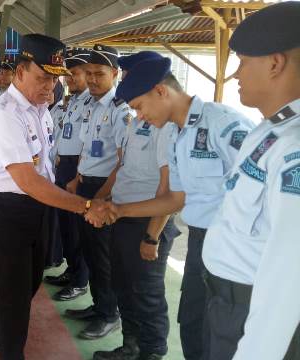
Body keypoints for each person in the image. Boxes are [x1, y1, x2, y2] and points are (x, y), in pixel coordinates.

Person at [89, 52, 255, 359]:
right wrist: (118, 210)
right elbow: (175, 199)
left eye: (139, 107)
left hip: (234, 245)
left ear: (161, 91)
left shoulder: (222, 124)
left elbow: (266, 186)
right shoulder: (181, 135)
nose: (138, 116)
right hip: (200, 242)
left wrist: (151, 235)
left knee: (222, 332)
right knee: (192, 323)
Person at [0, 33, 92, 360]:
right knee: (16, 302)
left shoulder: (41, 108)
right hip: (6, 212)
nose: (49, 87)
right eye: (42, 78)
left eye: (54, 80)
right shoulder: (4, 115)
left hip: (37, 208)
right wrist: (85, 206)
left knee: (29, 282)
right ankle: (10, 351)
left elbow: (42, 168)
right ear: (19, 73)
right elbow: (27, 180)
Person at [201, 2, 300, 359]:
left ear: (275, 63)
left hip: (254, 312)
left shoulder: (294, 147)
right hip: (229, 305)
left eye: (243, 61)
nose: (235, 74)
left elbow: (290, 276)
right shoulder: (270, 130)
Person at [91, 51, 181, 360]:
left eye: (127, 77)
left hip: (146, 222)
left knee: (147, 294)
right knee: (123, 286)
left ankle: (152, 352)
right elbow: (124, 167)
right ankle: (131, 347)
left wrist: (152, 236)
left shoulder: (167, 125)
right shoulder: (138, 119)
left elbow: (168, 189)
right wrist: (102, 200)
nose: (125, 85)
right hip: (122, 216)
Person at [63, 44, 129, 340]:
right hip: (86, 185)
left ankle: (109, 314)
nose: (91, 79)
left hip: (105, 189)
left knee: (102, 257)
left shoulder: (120, 109)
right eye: (87, 73)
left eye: (98, 73)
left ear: (114, 73)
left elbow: (123, 161)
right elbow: (86, 149)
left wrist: (102, 197)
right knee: (88, 250)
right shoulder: (89, 104)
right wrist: (77, 179)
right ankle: (98, 304)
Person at [44, 48, 91, 302]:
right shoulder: (72, 102)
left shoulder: (91, 103)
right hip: (63, 167)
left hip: (77, 170)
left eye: (74, 74)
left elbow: (88, 144)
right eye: (68, 76)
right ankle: (71, 271)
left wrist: (76, 173)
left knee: (76, 229)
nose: (70, 80)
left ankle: (80, 280)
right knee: (65, 227)